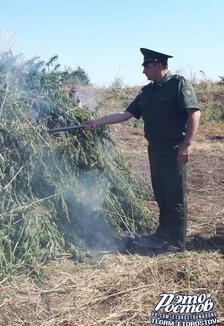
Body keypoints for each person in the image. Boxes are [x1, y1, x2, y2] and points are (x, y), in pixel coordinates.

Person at [82, 48, 201, 252]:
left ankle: (176, 243)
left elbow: (194, 114)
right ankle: (163, 235)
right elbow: (126, 114)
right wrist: (98, 122)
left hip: (174, 148)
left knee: (175, 196)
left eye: (146, 66)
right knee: (161, 194)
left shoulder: (178, 85)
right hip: (155, 149)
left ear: (158, 65)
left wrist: (186, 145)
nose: (143, 71)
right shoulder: (147, 92)